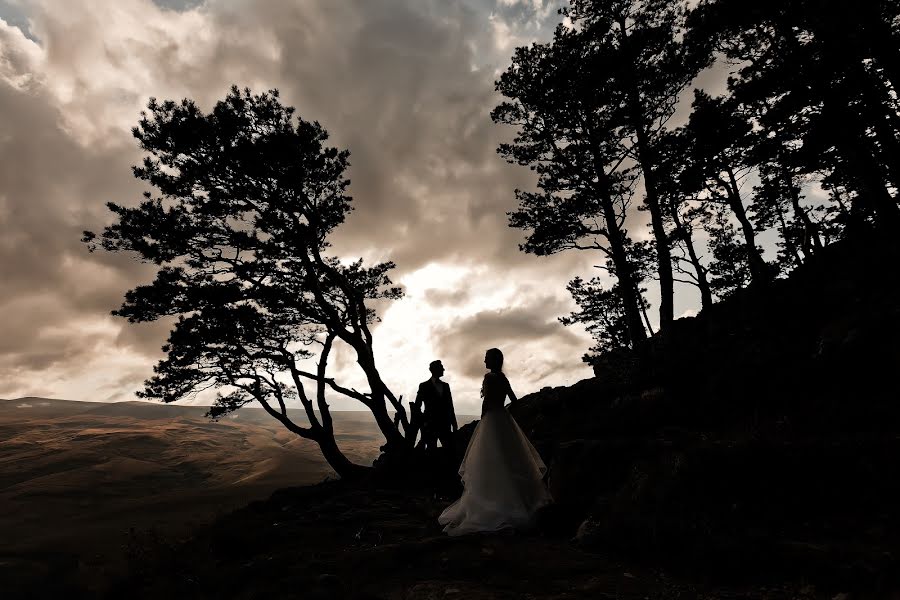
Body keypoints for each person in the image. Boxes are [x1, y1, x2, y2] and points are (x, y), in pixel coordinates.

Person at [438, 348, 551, 536]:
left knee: (490, 460)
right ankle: (520, 501)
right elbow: (514, 401)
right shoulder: (503, 378)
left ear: (492, 360)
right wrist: (504, 412)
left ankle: (492, 501)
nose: (484, 362)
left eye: (486, 358)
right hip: (504, 420)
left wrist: (483, 419)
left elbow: (487, 402)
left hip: (491, 419)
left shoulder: (490, 378)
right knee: (510, 458)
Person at [412, 359, 458, 451]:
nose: (443, 369)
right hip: (430, 426)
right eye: (441, 367)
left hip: (445, 425)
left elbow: (450, 405)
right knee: (431, 451)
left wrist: (454, 423)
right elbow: (417, 406)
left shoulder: (446, 386)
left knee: (449, 450)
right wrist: (424, 422)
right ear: (435, 369)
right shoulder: (423, 386)